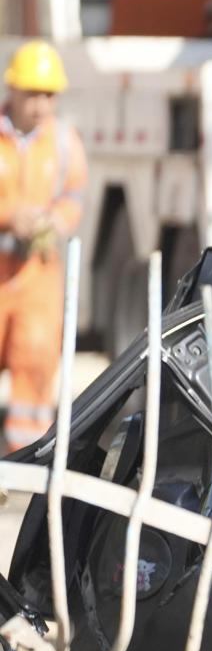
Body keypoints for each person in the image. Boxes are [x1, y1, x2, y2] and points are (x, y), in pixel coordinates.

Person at [0, 40, 87, 452]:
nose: (39, 104)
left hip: (38, 274)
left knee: (35, 363)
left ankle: (25, 460)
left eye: (47, 95)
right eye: (32, 93)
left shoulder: (65, 143)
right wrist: (9, 215)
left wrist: (55, 221)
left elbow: (74, 196)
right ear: (11, 89)